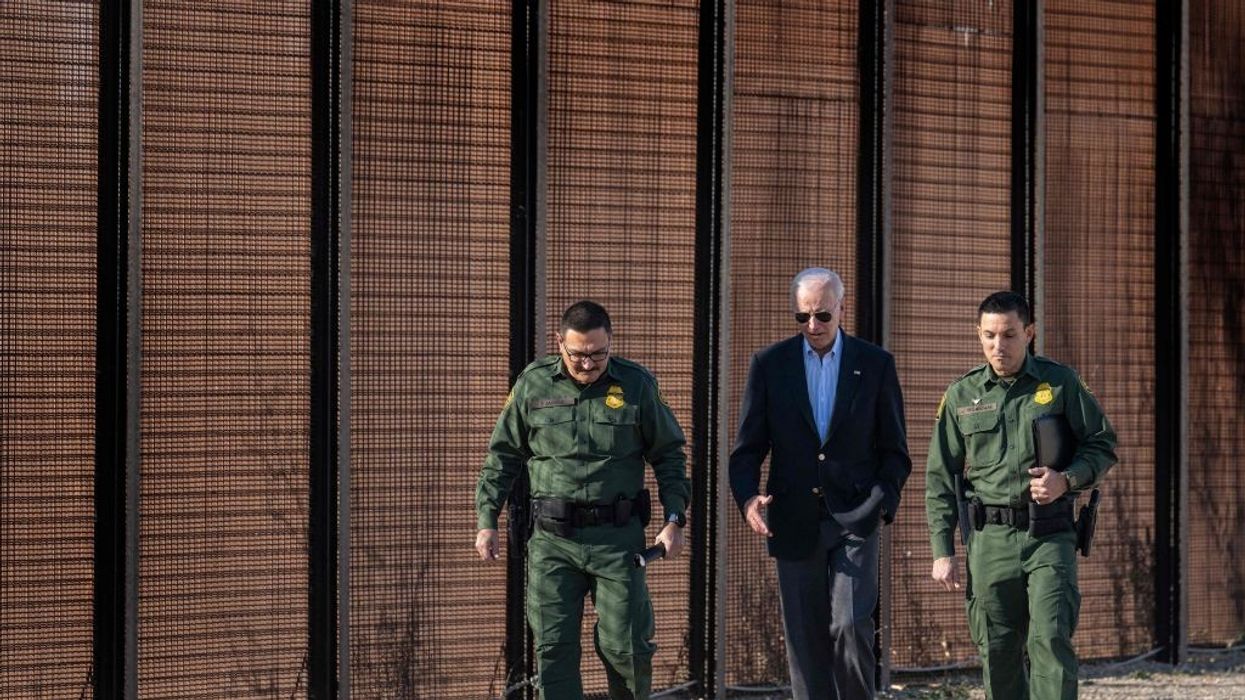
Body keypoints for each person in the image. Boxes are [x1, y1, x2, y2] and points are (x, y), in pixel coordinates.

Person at [474, 300, 691, 700]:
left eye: (598, 354)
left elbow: (669, 456)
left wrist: (674, 518)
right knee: (554, 651)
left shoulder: (636, 385)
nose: (588, 364)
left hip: (617, 541)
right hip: (553, 544)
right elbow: (502, 456)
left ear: (611, 343)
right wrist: (487, 519)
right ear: (560, 343)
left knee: (626, 647)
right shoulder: (533, 384)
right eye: (577, 354)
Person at [729, 267, 912, 699]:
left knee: (849, 625)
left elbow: (895, 449)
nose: (813, 326)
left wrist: (881, 502)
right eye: (803, 316)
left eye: (823, 316)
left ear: (842, 309)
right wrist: (748, 498)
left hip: (855, 516)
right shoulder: (770, 365)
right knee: (804, 638)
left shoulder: (875, 364)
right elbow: (747, 447)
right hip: (792, 517)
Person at [926, 291, 1118, 700]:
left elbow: (1102, 444)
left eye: (1010, 334)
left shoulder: (1060, 382)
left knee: (1049, 638)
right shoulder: (961, 395)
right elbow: (941, 478)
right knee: (997, 650)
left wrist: (1066, 479)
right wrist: (943, 551)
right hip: (989, 541)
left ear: (1029, 333)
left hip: (1048, 534)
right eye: (990, 335)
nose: (1000, 345)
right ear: (978, 335)